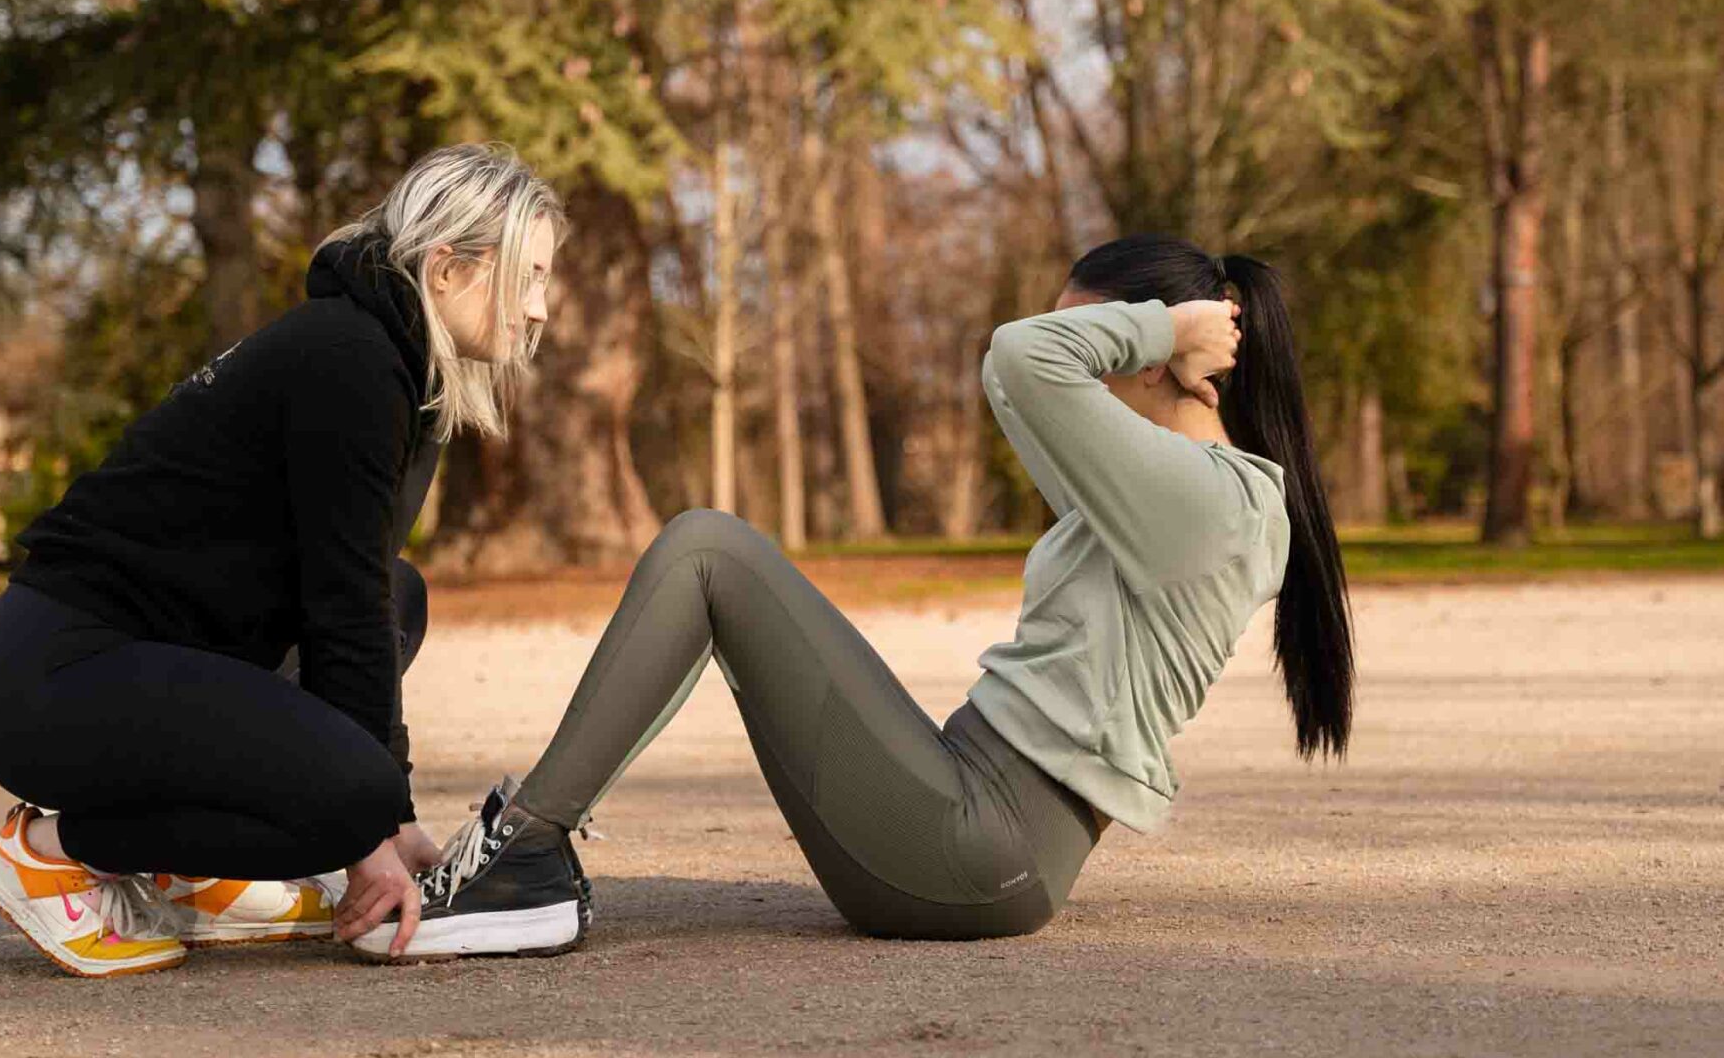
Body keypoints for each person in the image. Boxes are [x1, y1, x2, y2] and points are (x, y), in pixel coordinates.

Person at [359, 234, 1354, 959]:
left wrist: (1153, 325)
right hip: (965, 804)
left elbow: (1019, 357)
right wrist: (1144, 334)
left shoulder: (1207, 505)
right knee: (718, 564)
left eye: (1089, 328)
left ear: (1154, 351)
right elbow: (1030, 376)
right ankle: (526, 849)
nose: (1078, 346)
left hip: (979, 851)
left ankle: (522, 855)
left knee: (709, 551)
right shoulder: (1163, 488)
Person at [0, 144, 564, 976]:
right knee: (341, 804)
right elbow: (339, 607)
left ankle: (190, 874)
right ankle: (52, 848)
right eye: (527, 277)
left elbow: (363, 598)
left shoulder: (389, 362)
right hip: (50, 678)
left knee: (400, 596)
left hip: (142, 659)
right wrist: (365, 834)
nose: (541, 310)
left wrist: (395, 815)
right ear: (449, 267)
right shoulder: (349, 361)